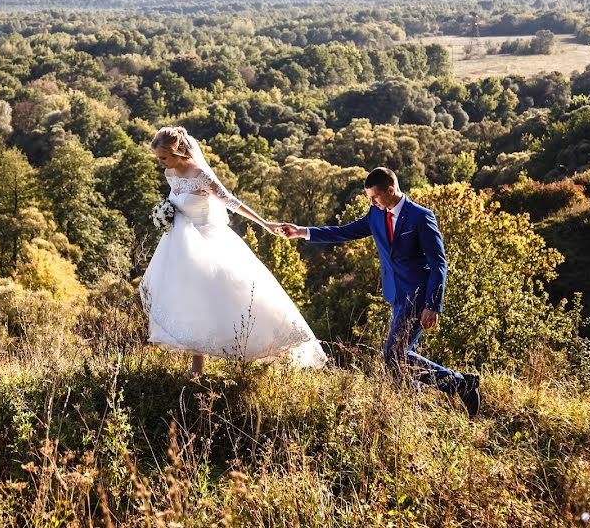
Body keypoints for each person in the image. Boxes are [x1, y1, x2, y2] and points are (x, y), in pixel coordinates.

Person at [278, 167, 480, 417]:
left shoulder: (420, 217)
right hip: (395, 295)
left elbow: (439, 263)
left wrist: (433, 304)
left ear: (390, 191)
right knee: (401, 355)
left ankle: (460, 384)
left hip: (418, 296)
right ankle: (411, 408)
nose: (371, 202)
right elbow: (343, 232)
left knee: (393, 354)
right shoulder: (375, 214)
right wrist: (301, 231)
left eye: (374, 197)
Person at [140, 126, 327, 376]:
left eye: (163, 157)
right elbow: (175, 200)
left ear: (178, 152)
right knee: (192, 298)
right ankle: (198, 368)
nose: (161, 163)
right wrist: (166, 214)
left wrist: (266, 223)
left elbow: (231, 201)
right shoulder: (169, 173)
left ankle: (265, 350)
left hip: (209, 240)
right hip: (181, 243)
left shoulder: (202, 174)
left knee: (232, 298)